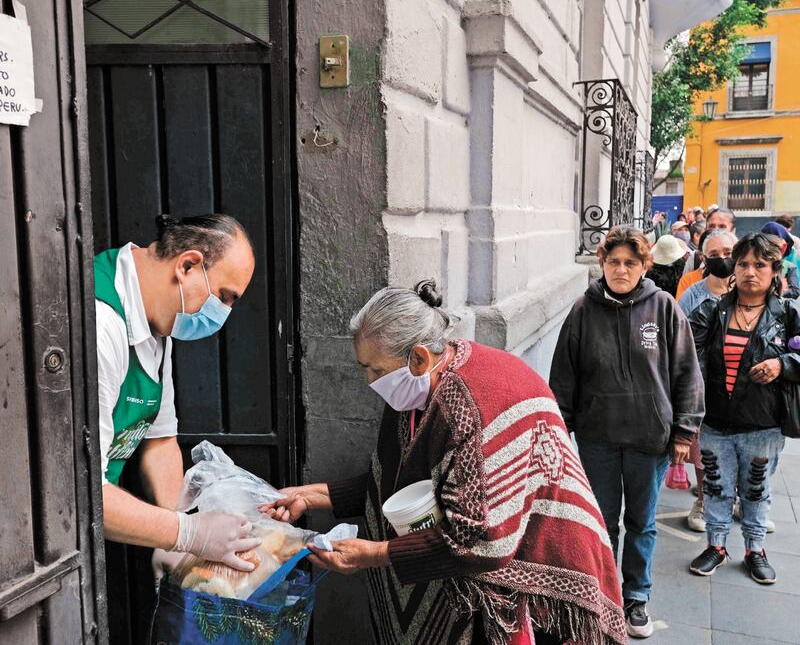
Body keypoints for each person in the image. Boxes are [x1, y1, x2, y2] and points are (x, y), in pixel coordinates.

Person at [262, 281, 627, 645]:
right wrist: (312, 496)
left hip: (540, 567)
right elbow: (397, 479)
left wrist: (375, 554)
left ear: (419, 358)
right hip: (492, 546)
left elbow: (482, 539)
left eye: (375, 370)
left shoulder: (470, 408)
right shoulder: (423, 384)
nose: (369, 381)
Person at [550, 227, 704, 639]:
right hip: (597, 439)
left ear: (644, 266)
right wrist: (559, 432)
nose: (621, 269)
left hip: (649, 440)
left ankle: (636, 596)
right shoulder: (583, 310)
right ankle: (604, 593)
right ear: (602, 264)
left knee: (642, 522)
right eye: (614, 261)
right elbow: (563, 378)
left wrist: (684, 434)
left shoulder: (664, 308)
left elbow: (687, 374)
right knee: (600, 522)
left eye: (630, 263)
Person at [95, 214, 262, 582]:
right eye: (224, 297)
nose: (223, 314)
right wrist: (188, 533)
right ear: (187, 265)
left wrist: (177, 536)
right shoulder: (101, 325)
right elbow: (82, 491)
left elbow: (159, 441)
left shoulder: (158, 321)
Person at [688, 232, 797, 584]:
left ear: (774, 270)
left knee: (756, 490)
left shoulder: (788, 314)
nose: (750, 272)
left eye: (760, 265)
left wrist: (782, 364)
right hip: (715, 421)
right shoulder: (712, 310)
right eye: (744, 264)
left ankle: (755, 549)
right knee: (716, 487)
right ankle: (716, 546)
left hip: (763, 424)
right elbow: (683, 349)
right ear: (734, 268)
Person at [678, 230, 737, 532]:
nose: (722, 258)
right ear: (703, 257)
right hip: (703, 386)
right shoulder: (693, 295)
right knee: (704, 449)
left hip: (743, 386)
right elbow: (678, 342)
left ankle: (740, 499)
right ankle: (703, 501)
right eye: (714, 254)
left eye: (728, 252)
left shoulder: (751, 289)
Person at [677, 208, 737, 299]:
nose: (716, 231)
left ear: (733, 231)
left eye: (722, 227)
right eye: (712, 226)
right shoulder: (694, 259)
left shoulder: (745, 265)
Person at [761, 221, 800, 298]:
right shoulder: (755, 262)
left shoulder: (789, 266)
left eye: (773, 245)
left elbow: (795, 291)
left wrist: (776, 292)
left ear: (783, 247)